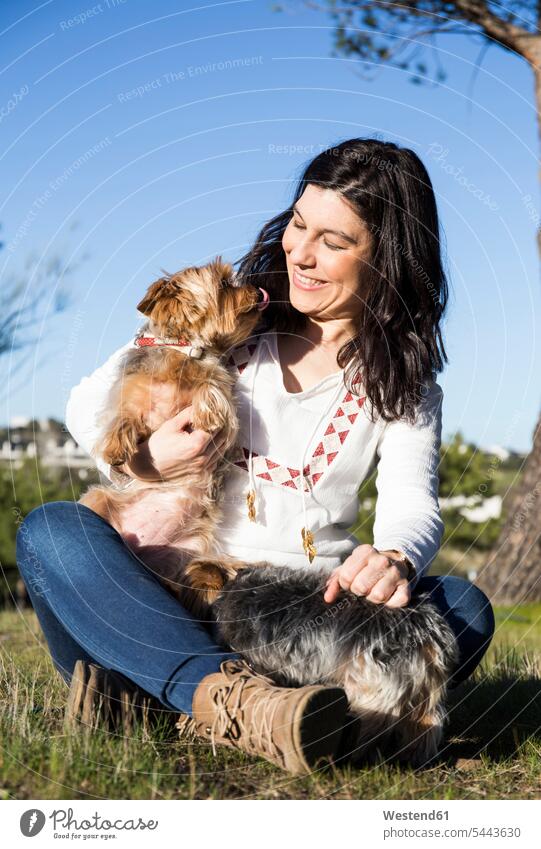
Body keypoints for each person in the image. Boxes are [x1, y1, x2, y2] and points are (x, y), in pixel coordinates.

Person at [16, 138, 495, 775]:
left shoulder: (403, 386)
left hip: (302, 609)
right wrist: (145, 461)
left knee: (462, 605)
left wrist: (395, 558)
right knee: (53, 532)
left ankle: (169, 694)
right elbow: (88, 404)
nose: (299, 252)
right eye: (299, 225)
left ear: (385, 258)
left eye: (334, 241)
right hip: (172, 594)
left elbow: (411, 499)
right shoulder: (230, 323)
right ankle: (238, 701)